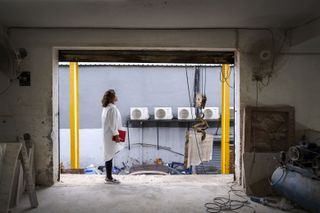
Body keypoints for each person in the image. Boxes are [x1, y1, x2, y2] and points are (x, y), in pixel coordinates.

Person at [101, 89, 124, 184]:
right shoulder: (112, 109)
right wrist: (117, 136)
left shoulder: (106, 108)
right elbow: (112, 124)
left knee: (108, 155)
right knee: (109, 156)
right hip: (111, 135)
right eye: (115, 95)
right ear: (112, 98)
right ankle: (109, 178)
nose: (117, 96)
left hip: (106, 135)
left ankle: (108, 176)